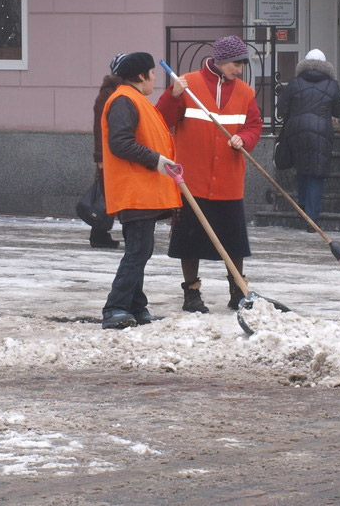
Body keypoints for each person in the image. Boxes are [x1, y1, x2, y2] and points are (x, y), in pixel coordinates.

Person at [157, 35, 263, 313]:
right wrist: (173, 95)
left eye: (241, 64)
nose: (239, 70)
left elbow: (254, 125)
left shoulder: (245, 93)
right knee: (189, 241)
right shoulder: (187, 84)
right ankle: (191, 293)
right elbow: (162, 120)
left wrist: (245, 139)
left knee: (234, 242)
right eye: (236, 64)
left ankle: (237, 290)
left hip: (229, 179)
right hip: (192, 179)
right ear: (221, 60)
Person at [101, 52, 182, 330]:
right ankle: (115, 307)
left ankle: (136, 305)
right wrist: (157, 160)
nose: (154, 78)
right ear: (140, 76)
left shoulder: (136, 100)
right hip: (134, 190)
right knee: (137, 251)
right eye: (152, 72)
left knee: (141, 250)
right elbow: (120, 143)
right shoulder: (124, 100)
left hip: (143, 190)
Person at [275, 49, 340, 229]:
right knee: (316, 173)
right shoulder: (332, 85)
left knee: (302, 169)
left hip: (296, 130)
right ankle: (311, 218)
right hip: (321, 131)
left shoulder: (294, 83)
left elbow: (282, 109)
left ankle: (303, 208)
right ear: (326, 66)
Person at [88, 54, 125, 249]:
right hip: (110, 154)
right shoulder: (109, 94)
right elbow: (99, 128)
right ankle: (99, 234)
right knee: (106, 195)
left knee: (108, 195)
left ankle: (99, 234)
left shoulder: (118, 91)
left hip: (115, 153)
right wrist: (100, 158)